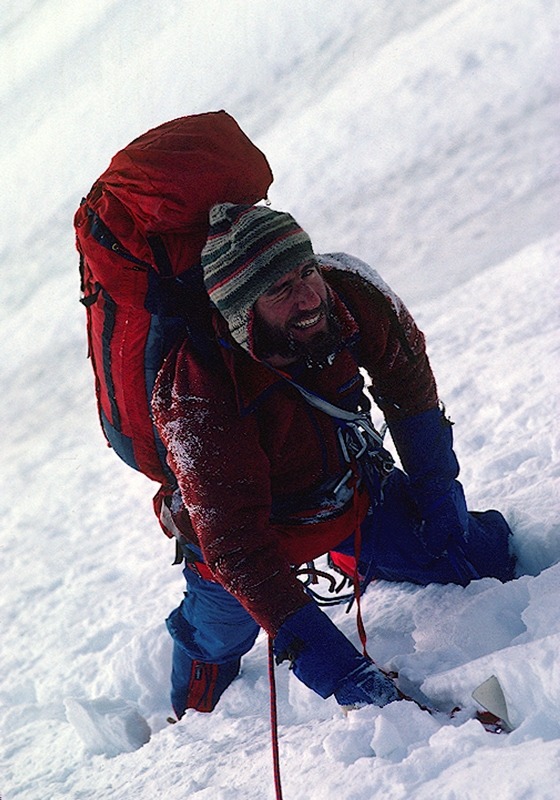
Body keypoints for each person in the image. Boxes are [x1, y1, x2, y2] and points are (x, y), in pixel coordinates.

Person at [151, 202, 515, 719]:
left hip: (351, 492)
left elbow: (412, 395)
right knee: (218, 636)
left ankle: (359, 557)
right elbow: (239, 552)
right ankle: (184, 721)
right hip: (246, 542)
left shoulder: (350, 292)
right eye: (279, 289)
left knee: (475, 558)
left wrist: (441, 502)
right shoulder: (197, 390)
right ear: (241, 310)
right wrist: (341, 672)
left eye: (307, 272)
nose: (308, 297)